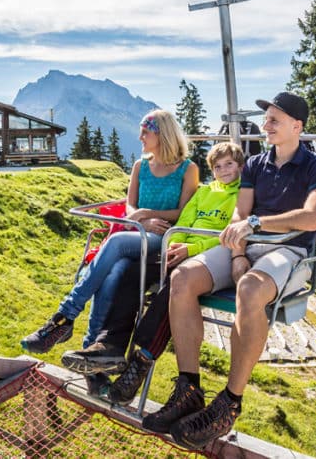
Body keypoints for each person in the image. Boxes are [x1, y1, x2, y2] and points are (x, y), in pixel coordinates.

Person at [141, 92, 316, 450]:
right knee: (182, 278)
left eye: (275, 120)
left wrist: (257, 225)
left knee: (249, 291)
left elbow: (312, 216)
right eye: (267, 119)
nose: (266, 126)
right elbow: (239, 216)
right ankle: (189, 388)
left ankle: (230, 401)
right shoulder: (257, 165)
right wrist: (237, 254)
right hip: (247, 245)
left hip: (289, 250)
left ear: (297, 126)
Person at [58, 142, 245, 402]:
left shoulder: (242, 194)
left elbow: (227, 233)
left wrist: (189, 249)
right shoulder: (203, 193)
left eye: (229, 165)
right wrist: (173, 245)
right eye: (217, 166)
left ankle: (139, 362)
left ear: (240, 166)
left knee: (171, 288)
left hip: (203, 254)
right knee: (131, 272)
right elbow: (183, 222)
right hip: (178, 246)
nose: (223, 170)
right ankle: (110, 344)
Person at [21, 109, 199, 364]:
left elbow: (183, 211)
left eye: (145, 132)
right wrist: (141, 218)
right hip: (139, 233)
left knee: (114, 243)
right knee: (113, 273)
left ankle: (64, 317)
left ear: (163, 135)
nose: (140, 137)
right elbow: (129, 205)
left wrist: (147, 214)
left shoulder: (187, 169)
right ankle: (91, 354)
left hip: (163, 236)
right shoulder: (141, 166)